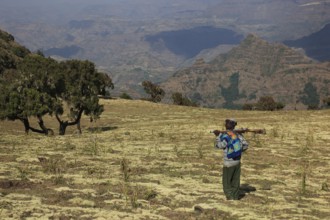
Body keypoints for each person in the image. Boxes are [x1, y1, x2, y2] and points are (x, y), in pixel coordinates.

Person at [214, 118, 248, 200]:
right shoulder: (238, 135)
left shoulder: (225, 135)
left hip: (228, 162)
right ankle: (235, 196)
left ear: (226, 125)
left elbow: (219, 146)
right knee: (235, 181)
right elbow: (245, 145)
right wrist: (238, 151)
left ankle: (230, 197)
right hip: (237, 161)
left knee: (227, 182)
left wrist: (217, 136)